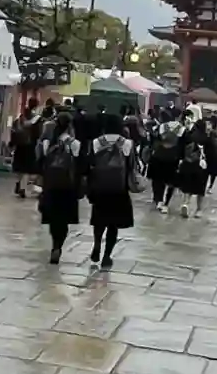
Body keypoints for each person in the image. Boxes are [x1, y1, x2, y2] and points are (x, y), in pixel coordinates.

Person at [83, 112, 137, 268]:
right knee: (113, 225)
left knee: (99, 221)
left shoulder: (96, 142)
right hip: (119, 189)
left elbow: (90, 165)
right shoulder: (127, 143)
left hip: (99, 187)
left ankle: (97, 245)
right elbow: (132, 166)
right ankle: (107, 256)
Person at [36, 108, 82, 264]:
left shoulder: (48, 143)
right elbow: (78, 165)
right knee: (64, 220)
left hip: (50, 185)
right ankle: (58, 246)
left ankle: (54, 242)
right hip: (68, 186)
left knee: (53, 218)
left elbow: (40, 162)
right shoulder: (75, 144)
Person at [145, 114, 183, 210]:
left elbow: (153, 139)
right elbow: (184, 144)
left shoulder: (161, 127)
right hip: (173, 157)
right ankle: (166, 203)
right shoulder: (181, 129)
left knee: (157, 180)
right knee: (171, 182)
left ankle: (158, 199)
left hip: (159, 155)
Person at [174, 120, 210, 217]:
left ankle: (186, 203)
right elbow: (212, 151)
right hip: (202, 166)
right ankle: (199, 210)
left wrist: (180, 160)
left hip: (188, 163)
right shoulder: (206, 137)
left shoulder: (188, 135)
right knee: (200, 189)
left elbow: (180, 147)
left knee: (188, 186)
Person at [9, 100, 41, 198]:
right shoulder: (37, 119)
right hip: (30, 146)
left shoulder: (20, 117)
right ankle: (22, 188)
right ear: (36, 106)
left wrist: (12, 143)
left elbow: (14, 131)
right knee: (27, 168)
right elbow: (38, 134)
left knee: (19, 167)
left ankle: (18, 183)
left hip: (20, 145)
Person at [202, 115, 217, 198]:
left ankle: (206, 186)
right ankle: (209, 187)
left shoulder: (212, 131)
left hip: (209, 154)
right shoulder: (215, 132)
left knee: (207, 172)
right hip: (213, 154)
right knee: (212, 172)